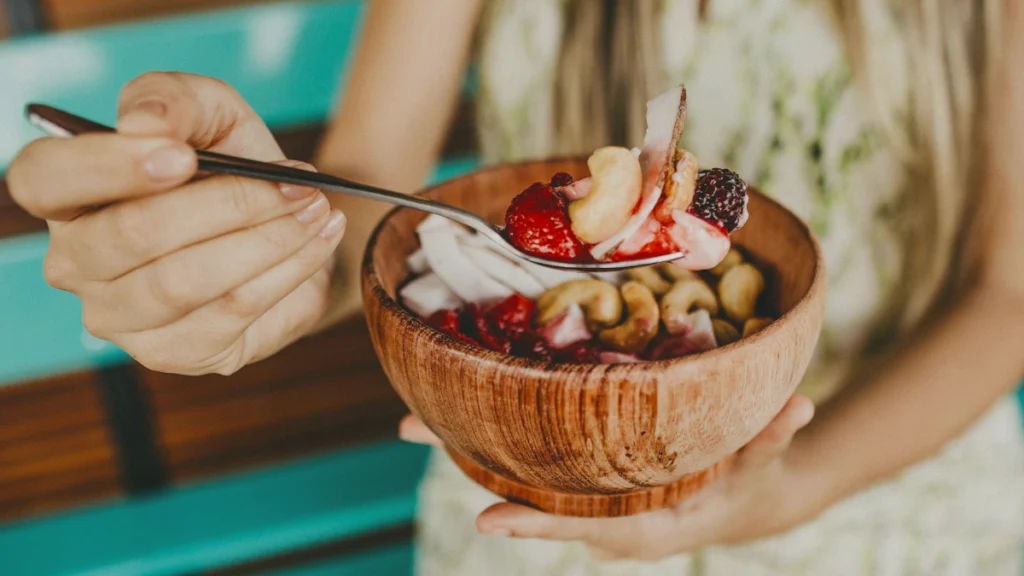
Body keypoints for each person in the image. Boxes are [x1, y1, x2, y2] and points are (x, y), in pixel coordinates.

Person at [7, 0, 1023, 573]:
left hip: (885, 485)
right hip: (539, 485)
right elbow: (371, 205)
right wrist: (257, 264)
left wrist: (790, 489)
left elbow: (1007, 294)